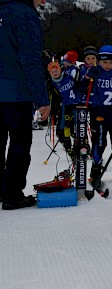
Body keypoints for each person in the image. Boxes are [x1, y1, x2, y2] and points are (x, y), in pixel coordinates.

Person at [0, 0, 50, 210]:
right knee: (19, 145)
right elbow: (30, 59)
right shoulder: (24, 14)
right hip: (16, 94)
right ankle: (12, 195)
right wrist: (42, 99)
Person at [83, 44, 112, 186]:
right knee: (100, 142)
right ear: (99, 61)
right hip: (98, 112)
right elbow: (81, 89)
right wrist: (87, 77)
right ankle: (95, 172)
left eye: (111, 62)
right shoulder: (95, 72)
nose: (108, 65)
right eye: (104, 62)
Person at [50, 51, 80, 158]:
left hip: (76, 102)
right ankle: (67, 143)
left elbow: (77, 81)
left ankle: (79, 144)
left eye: (66, 61)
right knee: (67, 123)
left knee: (77, 125)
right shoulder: (63, 72)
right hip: (67, 103)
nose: (64, 63)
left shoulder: (73, 70)